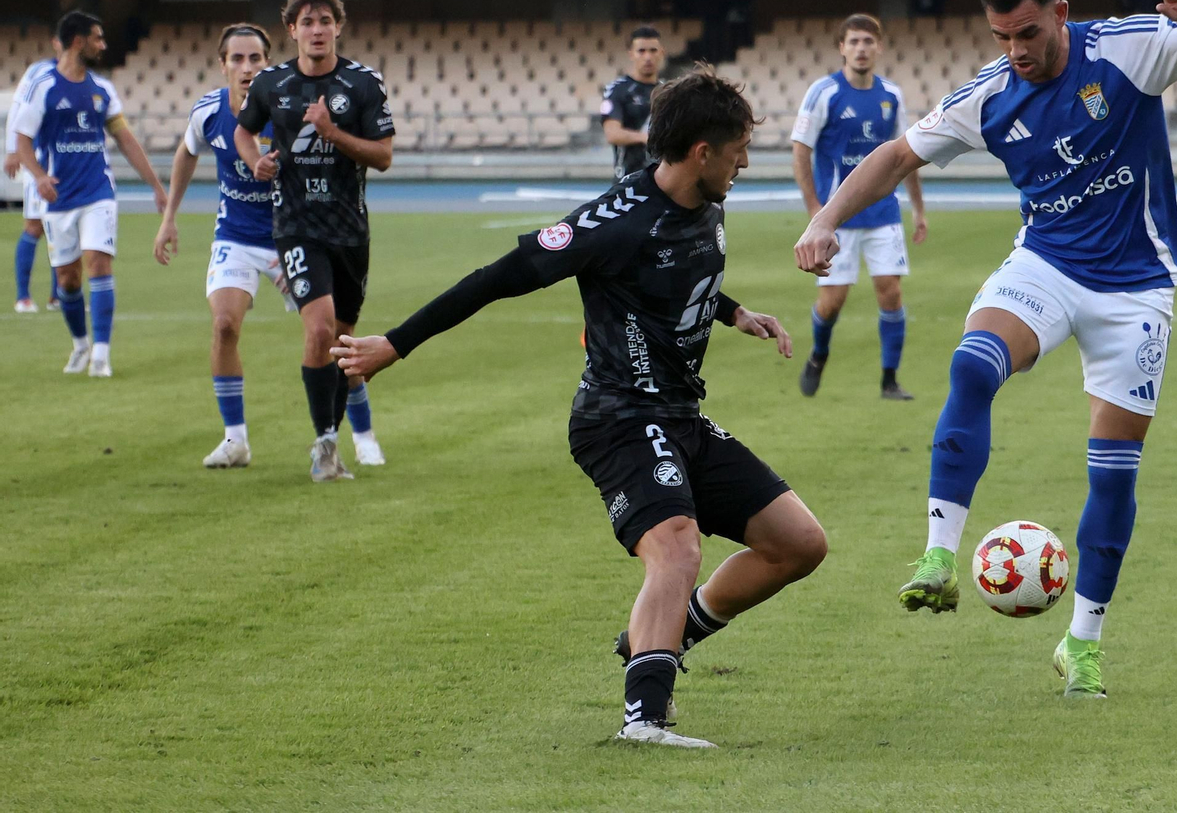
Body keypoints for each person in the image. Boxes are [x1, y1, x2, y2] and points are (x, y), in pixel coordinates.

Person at [794, 0, 1177, 698]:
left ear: (1061, 13)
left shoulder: (1129, 49)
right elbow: (892, 156)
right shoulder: (989, 95)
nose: (1017, 51)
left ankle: (1083, 644)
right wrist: (824, 219)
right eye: (1002, 36)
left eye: (1029, 33)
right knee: (973, 363)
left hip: (1136, 292)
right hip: (1044, 264)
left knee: (1112, 473)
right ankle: (939, 559)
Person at [331, 69, 827, 749]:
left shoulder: (705, 202)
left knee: (798, 544)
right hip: (618, 418)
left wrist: (735, 311)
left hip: (679, 415)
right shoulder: (613, 222)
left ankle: (660, 636)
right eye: (739, 147)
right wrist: (394, 343)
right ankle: (644, 720)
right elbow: (495, 280)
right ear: (701, 151)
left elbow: (677, 275)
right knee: (677, 547)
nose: (746, 161)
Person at [154, 24, 386, 470]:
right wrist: (169, 217)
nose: (246, 68)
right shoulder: (208, 112)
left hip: (295, 236)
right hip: (237, 237)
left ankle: (362, 434)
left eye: (255, 58)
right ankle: (235, 440)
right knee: (224, 325)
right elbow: (187, 151)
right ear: (222, 65)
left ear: (267, 62)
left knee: (335, 340)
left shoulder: (289, 103)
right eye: (236, 59)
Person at [234, 0, 394, 481]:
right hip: (297, 226)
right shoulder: (270, 84)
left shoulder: (364, 84)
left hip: (350, 231)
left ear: (338, 27)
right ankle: (324, 444)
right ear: (291, 30)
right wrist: (254, 158)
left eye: (325, 21)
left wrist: (332, 133)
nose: (317, 30)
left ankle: (331, 437)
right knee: (320, 328)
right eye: (307, 22)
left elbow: (384, 157)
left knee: (343, 345)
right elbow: (243, 129)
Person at [12, 11, 169, 376]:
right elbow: (21, 140)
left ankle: (101, 353)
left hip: (99, 191)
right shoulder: (43, 87)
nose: (103, 45)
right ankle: (81, 345)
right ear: (79, 41)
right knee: (68, 278)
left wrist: (156, 186)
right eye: (98, 38)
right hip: (58, 198)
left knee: (99, 263)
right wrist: (38, 176)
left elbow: (125, 139)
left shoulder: (103, 89)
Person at [792, 13, 927, 401]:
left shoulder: (892, 95)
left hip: (883, 212)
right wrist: (817, 211)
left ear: (879, 47)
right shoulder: (824, 93)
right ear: (841, 48)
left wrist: (918, 209)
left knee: (891, 293)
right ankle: (819, 353)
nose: (861, 49)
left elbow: (907, 154)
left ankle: (889, 380)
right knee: (832, 302)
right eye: (853, 42)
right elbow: (801, 152)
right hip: (839, 218)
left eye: (868, 41)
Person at [7, 46, 61, 313]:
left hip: (66, 162)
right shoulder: (39, 72)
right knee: (35, 226)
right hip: (38, 159)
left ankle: (58, 296)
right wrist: (12, 150)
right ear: (57, 42)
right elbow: (19, 108)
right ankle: (23, 297)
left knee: (60, 228)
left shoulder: (82, 75)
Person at [601, 26, 663, 185]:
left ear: (661, 52)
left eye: (653, 50)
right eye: (641, 51)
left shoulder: (668, 92)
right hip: (627, 180)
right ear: (631, 54)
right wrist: (645, 138)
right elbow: (612, 134)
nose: (648, 57)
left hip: (662, 181)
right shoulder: (617, 90)